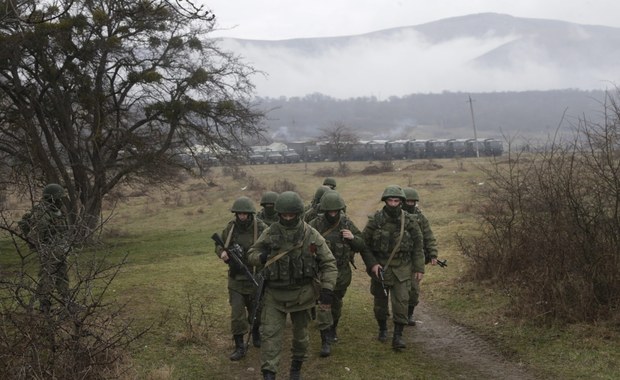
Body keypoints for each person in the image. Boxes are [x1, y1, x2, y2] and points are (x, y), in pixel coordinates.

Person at [247, 191, 337, 380]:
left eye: (291, 215)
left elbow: (328, 262)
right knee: (270, 336)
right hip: (274, 294)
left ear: (298, 214)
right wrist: (261, 257)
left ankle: (296, 368)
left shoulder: (311, 234)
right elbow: (252, 253)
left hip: (302, 295)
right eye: (284, 215)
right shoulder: (271, 231)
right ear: (279, 214)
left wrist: (327, 289)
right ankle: (269, 373)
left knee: (301, 337)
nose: (287, 218)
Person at [359, 185, 424, 350]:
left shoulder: (409, 220)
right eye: (390, 200)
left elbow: (418, 245)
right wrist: (372, 264)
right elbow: (363, 245)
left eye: (396, 200)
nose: (393, 204)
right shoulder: (376, 220)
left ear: (401, 202)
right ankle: (382, 329)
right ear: (385, 201)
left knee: (401, 302)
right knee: (380, 304)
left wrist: (418, 268)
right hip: (381, 267)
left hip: (403, 267)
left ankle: (398, 336)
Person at [308, 190, 366, 357]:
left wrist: (352, 238)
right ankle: (325, 339)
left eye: (336, 211)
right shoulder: (315, 224)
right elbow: (304, 243)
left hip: (342, 272)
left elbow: (362, 245)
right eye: (330, 211)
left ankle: (333, 328)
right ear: (324, 210)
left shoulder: (346, 223)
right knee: (324, 304)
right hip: (322, 271)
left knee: (336, 302)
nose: (333, 214)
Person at [215, 196, 267, 361]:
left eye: (245, 213)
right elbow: (219, 244)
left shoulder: (260, 227)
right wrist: (221, 252)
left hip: (255, 277)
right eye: (239, 214)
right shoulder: (231, 228)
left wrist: (263, 256)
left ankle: (256, 333)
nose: (242, 216)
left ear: (250, 213)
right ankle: (239, 346)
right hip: (236, 279)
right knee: (237, 314)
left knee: (257, 311)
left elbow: (270, 244)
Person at [18, 183, 69, 313]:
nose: (61, 200)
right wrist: (42, 248)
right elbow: (37, 236)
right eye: (58, 197)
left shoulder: (58, 209)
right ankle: (44, 305)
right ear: (52, 198)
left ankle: (67, 302)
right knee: (48, 278)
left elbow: (64, 228)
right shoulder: (42, 213)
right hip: (49, 250)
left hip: (61, 248)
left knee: (62, 276)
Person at [402, 187, 439, 326]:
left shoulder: (420, 217)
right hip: (398, 258)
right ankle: (397, 312)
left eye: (413, 202)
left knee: (414, 289)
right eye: (408, 201)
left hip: (415, 259)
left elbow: (429, 236)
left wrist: (433, 253)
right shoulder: (396, 215)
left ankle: (409, 314)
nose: (410, 204)